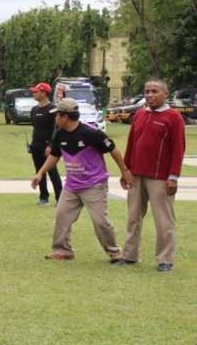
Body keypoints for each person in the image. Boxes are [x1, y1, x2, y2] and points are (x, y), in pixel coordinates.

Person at [31, 98, 133, 262]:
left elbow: (113, 150)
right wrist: (40, 173)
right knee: (62, 216)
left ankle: (115, 253)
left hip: (94, 185)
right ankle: (63, 251)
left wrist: (125, 171)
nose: (55, 118)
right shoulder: (60, 134)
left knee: (100, 221)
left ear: (65, 116)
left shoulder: (91, 133)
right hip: (72, 186)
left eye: (57, 115)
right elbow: (54, 156)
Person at [120, 78, 186, 272]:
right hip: (136, 176)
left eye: (154, 91)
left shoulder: (173, 117)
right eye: (147, 91)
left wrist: (173, 176)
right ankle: (130, 255)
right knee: (133, 217)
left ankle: (165, 259)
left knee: (164, 220)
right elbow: (131, 144)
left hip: (160, 178)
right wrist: (126, 170)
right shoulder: (140, 114)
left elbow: (178, 149)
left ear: (166, 94)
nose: (150, 95)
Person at [29, 83, 62, 205]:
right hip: (36, 146)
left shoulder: (53, 109)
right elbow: (35, 127)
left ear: (43, 93)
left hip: (48, 147)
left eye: (36, 91)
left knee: (53, 172)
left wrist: (51, 146)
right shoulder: (34, 109)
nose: (34, 93)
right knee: (39, 171)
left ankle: (59, 198)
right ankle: (43, 197)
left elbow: (56, 129)